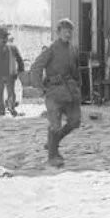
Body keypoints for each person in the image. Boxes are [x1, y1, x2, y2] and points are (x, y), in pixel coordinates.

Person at [30, 19, 82, 168]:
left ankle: (53, 142)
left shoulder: (73, 49)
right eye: (65, 31)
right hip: (54, 92)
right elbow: (36, 67)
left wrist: (79, 87)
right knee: (55, 124)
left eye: (70, 31)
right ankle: (53, 156)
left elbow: (76, 71)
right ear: (58, 32)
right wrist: (40, 87)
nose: (68, 34)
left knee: (75, 121)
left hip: (70, 92)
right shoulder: (51, 49)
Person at [0, 26, 25, 116]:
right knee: (10, 92)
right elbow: (20, 60)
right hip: (9, 74)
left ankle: (2, 110)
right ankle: (11, 108)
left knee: (1, 93)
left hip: (1, 74)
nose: (2, 38)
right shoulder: (12, 47)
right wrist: (20, 70)